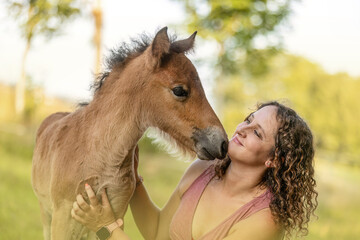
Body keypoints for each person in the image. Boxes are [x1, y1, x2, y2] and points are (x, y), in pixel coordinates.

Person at [71, 101, 318, 240]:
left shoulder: (264, 221)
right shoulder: (203, 170)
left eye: (257, 132)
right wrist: (132, 179)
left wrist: (107, 228)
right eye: (249, 118)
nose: (242, 128)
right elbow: (158, 233)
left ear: (274, 159)